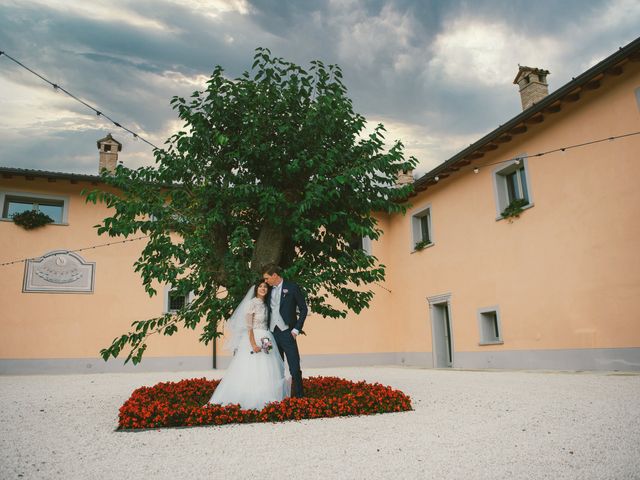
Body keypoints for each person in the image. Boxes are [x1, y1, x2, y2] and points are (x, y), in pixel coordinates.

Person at [209, 281, 289, 410]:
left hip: (266, 337)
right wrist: (253, 344)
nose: (263, 289)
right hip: (255, 338)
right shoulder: (251, 304)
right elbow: (249, 326)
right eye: (260, 287)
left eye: (265, 287)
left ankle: (268, 396)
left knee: (267, 367)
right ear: (256, 289)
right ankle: (250, 398)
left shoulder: (266, 304)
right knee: (251, 368)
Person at [262, 264, 308, 398]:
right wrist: (265, 338)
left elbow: (303, 309)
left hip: (287, 333)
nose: (265, 281)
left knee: (294, 367)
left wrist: (296, 330)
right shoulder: (267, 291)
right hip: (270, 335)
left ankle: (299, 397)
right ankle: (278, 397)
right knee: (273, 366)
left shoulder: (292, 288)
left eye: (267, 278)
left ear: (275, 275)